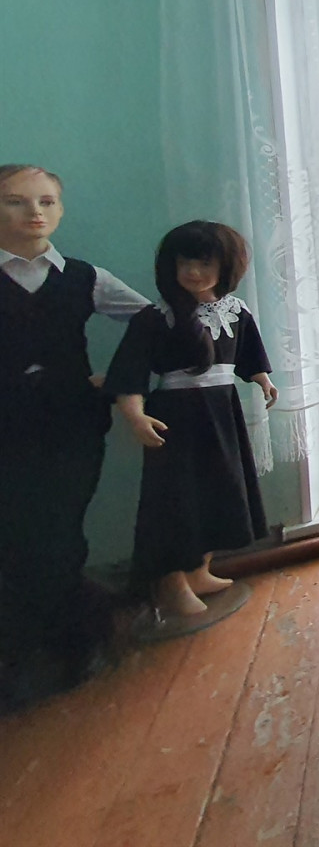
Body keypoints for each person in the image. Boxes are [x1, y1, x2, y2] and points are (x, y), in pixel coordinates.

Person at [0, 164, 150, 707]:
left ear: (60, 210)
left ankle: (73, 642)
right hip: (5, 427)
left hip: (71, 423)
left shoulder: (85, 277)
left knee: (62, 529)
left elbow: (151, 322)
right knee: (14, 534)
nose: (34, 212)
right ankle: (23, 647)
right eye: (16, 201)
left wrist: (120, 377)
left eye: (46, 201)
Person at [105, 222, 276, 619]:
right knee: (176, 500)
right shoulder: (156, 317)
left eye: (205, 263)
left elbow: (248, 355)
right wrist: (135, 415)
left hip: (223, 414)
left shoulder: (235, 311)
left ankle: (200, 570)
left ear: (226, 265)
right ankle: (171, 584)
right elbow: (128, 373)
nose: (194, 272)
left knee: (220, 490)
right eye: (185, 263)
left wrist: (262, 380)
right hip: (175, 419)